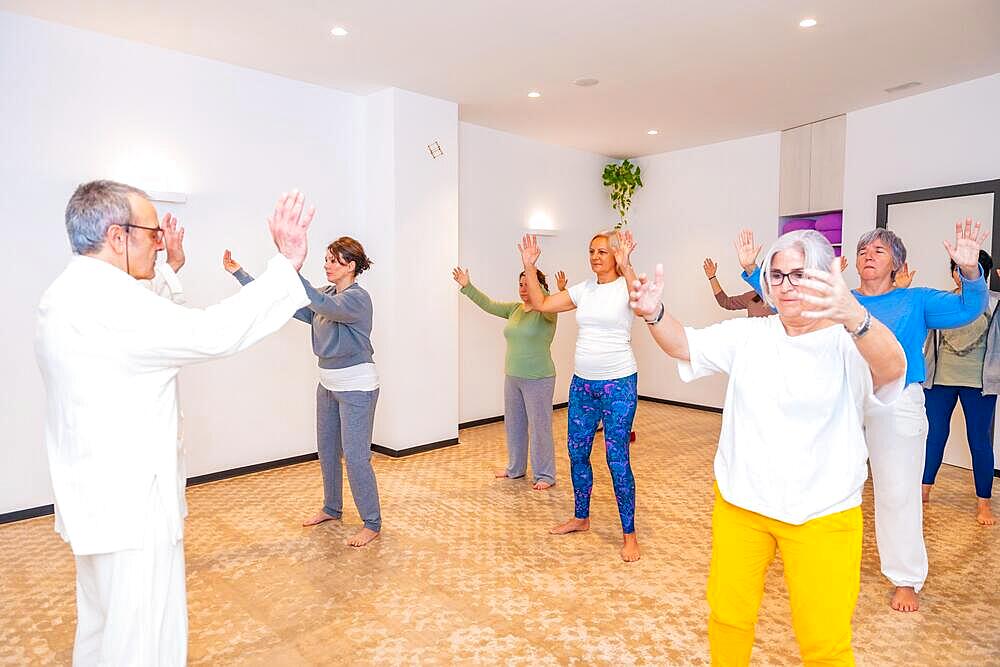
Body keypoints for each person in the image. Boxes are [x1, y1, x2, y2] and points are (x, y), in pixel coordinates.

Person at [36, 181, 315, 665]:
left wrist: (169, 269)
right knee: (142, 642)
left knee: (103, 629)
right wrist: (285, 266)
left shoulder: (66, 295)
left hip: (94, 503)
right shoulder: (114, 306)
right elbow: (210, 333)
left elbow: (151, 322)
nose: (159, 241)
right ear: (118, 236)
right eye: (151, 233)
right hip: (133, 508)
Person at [633, 230, 906, 665]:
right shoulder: (751, 336)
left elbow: (892, 369)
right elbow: (684, 343)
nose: (786, 285)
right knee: (728, 618)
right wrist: (654, 313)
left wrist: (855, 316)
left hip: (823, 513)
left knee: (825, 640)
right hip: (743, 505)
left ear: (821, 277)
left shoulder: (846, 340)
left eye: (798, 274)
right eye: (776, 275)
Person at [738, 220, 989, 612]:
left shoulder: (916, 299)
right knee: (823, 479)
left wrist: (971, 271)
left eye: (879, 251)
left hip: (897, 401)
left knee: (897, 490)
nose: (868, 256)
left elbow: (970, 308)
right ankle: (810, 557)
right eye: (863, 251)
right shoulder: (841, 300)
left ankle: (906, 578)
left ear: (896, 263)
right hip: (843, 395)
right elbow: (784, 301)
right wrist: (753, 268)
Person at [224, 237, 382, 547]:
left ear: (350, 266)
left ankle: (372, 522)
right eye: (326, 259)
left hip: (357, 387)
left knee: (356, 457)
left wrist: (290, 267)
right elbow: (289, 306)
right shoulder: (325, 295)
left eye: (334, 260)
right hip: (328, 384)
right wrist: (241, 274)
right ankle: (331, 507)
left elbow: (318, 303)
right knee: (326, 451)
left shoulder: (356, 298)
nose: (327, 264)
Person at [517, 230, 642, 562]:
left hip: (618, 383)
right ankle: (581, 517)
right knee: (577, 453)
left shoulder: (626, 285)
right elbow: (542, 303)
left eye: (602, 251)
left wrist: (628, 266)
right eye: (591, 251)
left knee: (617, 461)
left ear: (616, 255)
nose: (596, 256)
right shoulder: (584, 290)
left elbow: (643, 305)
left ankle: (629, 535)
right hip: (583, 384)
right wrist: (530, 266)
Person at [452, 265, 568, 489]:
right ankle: (515, 468)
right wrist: (468, 286)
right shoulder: (515, 309)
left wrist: (553, 290)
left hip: (539, 378)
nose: (524, 289)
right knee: (514, 424)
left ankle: (545, 474)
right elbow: (489, 304)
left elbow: (552, 301)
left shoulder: (547, 311)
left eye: (529, 284)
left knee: (539, 427)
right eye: (521, 284)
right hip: (513, 376)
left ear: (539, 286)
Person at [922, 250, 999, 525]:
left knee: (979, 440)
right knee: (933, 435)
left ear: (982, 272)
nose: (961, 273)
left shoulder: (994, 302)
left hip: (979, 383)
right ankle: (923, 492)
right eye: (957, 267)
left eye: (968, 268)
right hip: (940, 380)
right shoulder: (941, 301)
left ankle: (984, 504)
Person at [702, 257, 771, 317]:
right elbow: (725, 302)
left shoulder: (780, 301)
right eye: (765, 273)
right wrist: (712, 277)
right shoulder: (753, 297)